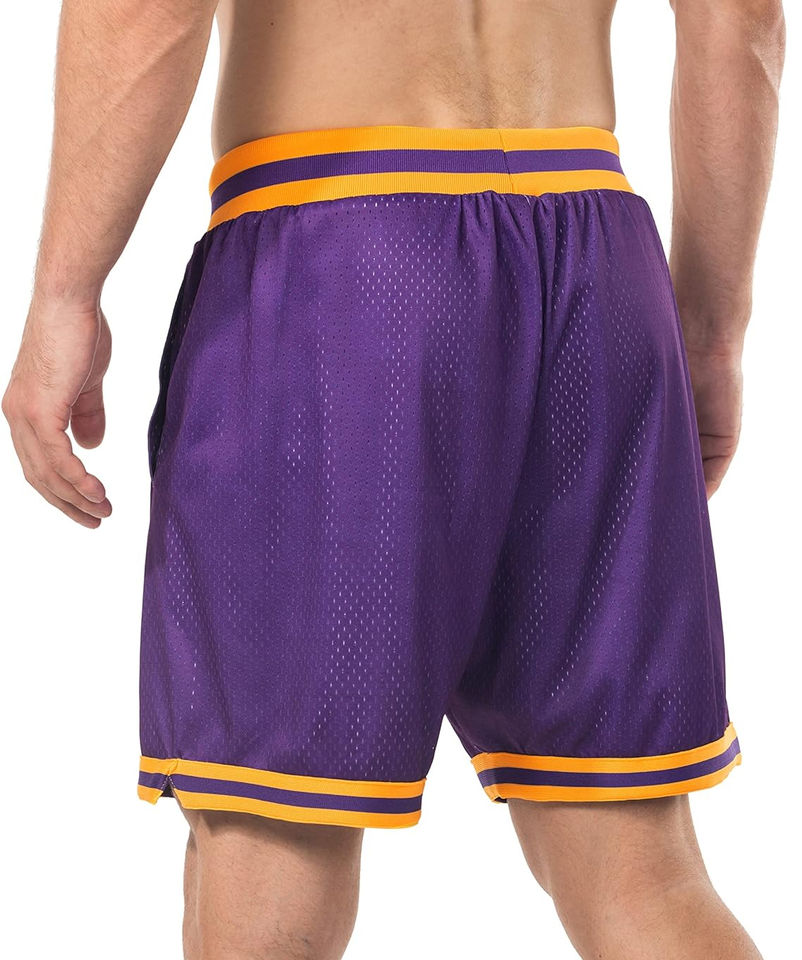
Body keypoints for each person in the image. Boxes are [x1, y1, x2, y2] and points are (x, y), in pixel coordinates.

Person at [2, 1, 785, 957]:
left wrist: (63, 293)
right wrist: (711, 329)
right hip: (596, 256)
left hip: (341, 256)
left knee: (269, 843)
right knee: (637, 869)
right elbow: (740, 16)